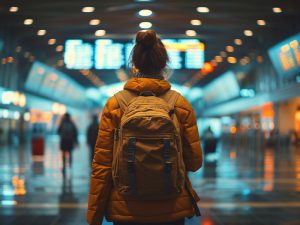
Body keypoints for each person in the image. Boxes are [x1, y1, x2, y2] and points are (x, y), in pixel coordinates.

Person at [87, 30, 203, 225]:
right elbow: (194, 162)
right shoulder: (180, 104)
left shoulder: (115, 105)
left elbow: (102, 166)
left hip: (125, 208)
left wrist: (94, 217)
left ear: (135, 64)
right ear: (164, 64)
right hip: (172, 208)